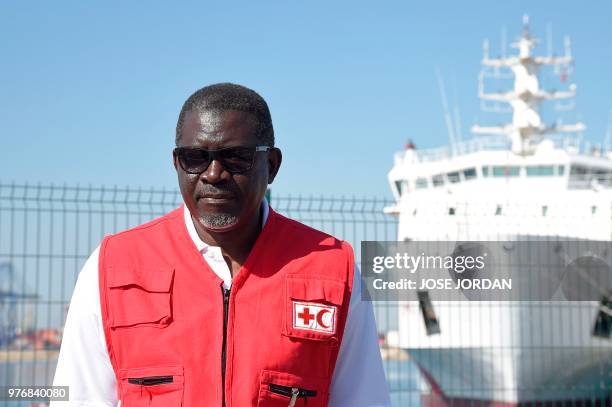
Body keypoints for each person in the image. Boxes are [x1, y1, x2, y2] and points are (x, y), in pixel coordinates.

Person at [51, 83, 391, 406]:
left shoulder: (333, 271)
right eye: (195, 157)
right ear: (176, 163)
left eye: (236, 157)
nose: (213, 173)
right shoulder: (112, 267)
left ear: (271, 165)